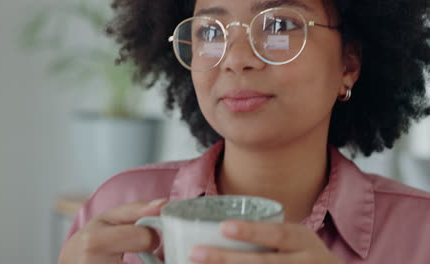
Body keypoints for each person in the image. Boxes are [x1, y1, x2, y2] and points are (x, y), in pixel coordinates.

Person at [58, 0, 430, 263]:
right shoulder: (116, 212)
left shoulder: (420, 235)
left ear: (349, 62)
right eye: (210, 31)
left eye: (279, 25)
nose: (236, 59)